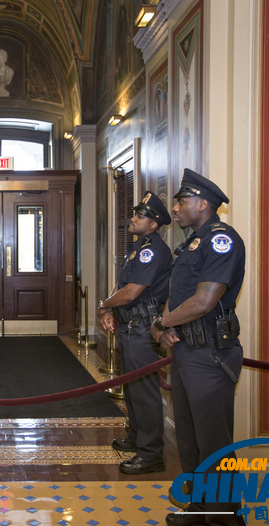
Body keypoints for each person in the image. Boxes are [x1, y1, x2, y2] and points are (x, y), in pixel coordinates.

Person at [151, 169, 246, 526]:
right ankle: (200, 509)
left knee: (214, 444)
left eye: (181, 201)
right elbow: (178, 295)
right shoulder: (192, 243)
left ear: (203, 204)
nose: (175, 208)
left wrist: (164, 325)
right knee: (190, 440)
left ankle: (225, 523)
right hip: (188, 351)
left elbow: (205, 300)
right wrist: (169, 326)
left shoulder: (221, 240)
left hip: (210, 354)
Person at [98, 191, 172, 475]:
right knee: (131, 388)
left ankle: (151, 453)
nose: (133, 218)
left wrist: (104, 304)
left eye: (139, 216)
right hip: (129, 326)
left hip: (143, 329)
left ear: (153, 224)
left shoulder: (152, 251)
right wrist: (108, 311)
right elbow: (122, 287)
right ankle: (137, 437)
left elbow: (131, 293)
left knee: (144, 393)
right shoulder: (137, 248)